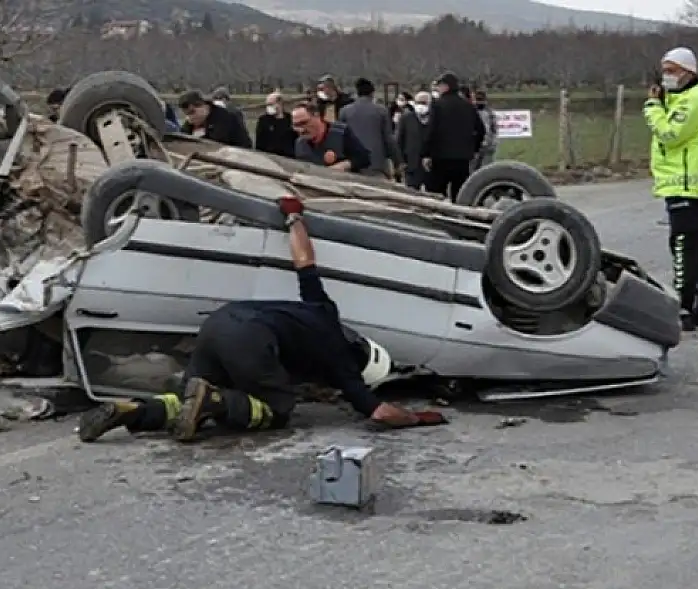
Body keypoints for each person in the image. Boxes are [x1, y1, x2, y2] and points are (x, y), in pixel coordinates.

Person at [75, 198, 431, 444]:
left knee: (185, 398)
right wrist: (417, 418)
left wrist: (294, 217)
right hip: (250, 340)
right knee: (277, 411)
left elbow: (304, 260)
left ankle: (134, 411)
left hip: (219, 322)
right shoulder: (342, 368)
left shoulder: (323, 310)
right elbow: (380, 413)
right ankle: (213, 402)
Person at [645, 47, 698, 330]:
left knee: (682, 248)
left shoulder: (695, 100)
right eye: (664, 70)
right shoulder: (693, 100)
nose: (666, 77)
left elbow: (670, 134)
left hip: (688, 187)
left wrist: (653, 108)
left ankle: (683, 307)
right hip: (693, 186)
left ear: (689, 72)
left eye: (672, 70)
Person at [421, 72, 487, 201]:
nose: (438, 89)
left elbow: (431, 130)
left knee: (436, 193)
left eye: (440, 85)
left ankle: (438, 218)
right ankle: (459, 217)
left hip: (440, 157)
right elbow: (481, 130)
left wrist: (426, 153)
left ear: (446, 86)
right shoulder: (468, 106)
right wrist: (473, 148)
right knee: (460, 193)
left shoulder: (437, 105)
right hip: (462, 158)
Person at [339, 78, 402, 179]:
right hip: (376, 163)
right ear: (372, 93)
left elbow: (340, 138)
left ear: (357, 93)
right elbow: (388, 139)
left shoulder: (345, 112)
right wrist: (397, 162)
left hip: (352, 164)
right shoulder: (381, 111)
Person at [291, 102, 371, 173]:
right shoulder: (299, 143)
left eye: (304, 123)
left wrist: (344, 165)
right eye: (296, 125)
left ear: (316, 115)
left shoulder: (340, 132)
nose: (301, 130)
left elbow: (364, 158)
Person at [179, 90, 252, 148]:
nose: (190, 117)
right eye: (187, 114)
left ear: (204, 106)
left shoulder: (224, 118)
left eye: (192, 112)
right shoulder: (189, 124)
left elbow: (217, 144)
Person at [396, 91, 432, 190]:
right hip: (411, 165)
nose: (421, 105)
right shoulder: (406, 118)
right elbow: (399, 140)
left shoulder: (435, 118)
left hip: (430, 166)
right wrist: (401, 161)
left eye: (424, 103)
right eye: (418, 102)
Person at [254, 91, 299, 158]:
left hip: (289, 157)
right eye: (267, 105)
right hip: (270, 158)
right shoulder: (263, 120)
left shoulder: (291, 119)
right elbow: (259, 142)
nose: (268, 107)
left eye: (271, 104)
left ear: (279, 103)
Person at [472, 90, 499, 172]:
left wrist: (491, 142)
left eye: (481, 100)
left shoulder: (490, 113)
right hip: (476, 146)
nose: (479, 102)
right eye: (478, 99)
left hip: (488, 145)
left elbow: (494, 130)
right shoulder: (472, 112)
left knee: (487, 170)